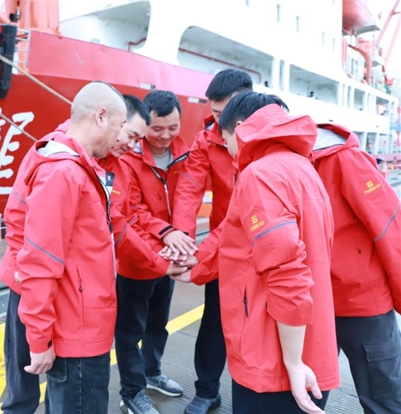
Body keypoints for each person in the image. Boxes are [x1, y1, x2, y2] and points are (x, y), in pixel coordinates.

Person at [174, 92, 340, 414]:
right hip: (311, 345)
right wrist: (197, 267)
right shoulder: (303, 168)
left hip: (273, 357)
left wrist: (292, 361)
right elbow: (243, 241)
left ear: (238, 129)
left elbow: (286, 269)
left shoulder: (259, 174)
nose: (228, 150)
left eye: (225, 140)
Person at [0, 88, 162, 414]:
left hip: (73, 310)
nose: (127, 142)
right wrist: (39, 337)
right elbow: (40, 259)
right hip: (77, 320)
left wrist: (159, 262)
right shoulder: (64, 172)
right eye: (122, 128)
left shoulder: (70, 160)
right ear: (100, 117)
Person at [172, 69, 252, 414]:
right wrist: (183, 240)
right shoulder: (207, 140)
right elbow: (190, 187)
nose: (220, 122)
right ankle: (206, 391)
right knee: (214, 322)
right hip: (223, 250)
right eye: (215, 113)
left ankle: (257, 395)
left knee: (260, 326)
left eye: (225, 114)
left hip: (264, 246)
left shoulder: (269, 139)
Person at [114, 90, 196, 414]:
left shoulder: (185, 154)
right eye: (156, 128)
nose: (165, 136)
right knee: (129, 331)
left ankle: (152, 372)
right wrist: (166, 231)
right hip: (137, 259)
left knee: (158, 324)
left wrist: (181, 239)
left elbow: (188, 199)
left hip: (169, 258)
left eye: (173, 128)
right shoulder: (127, 158)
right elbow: (131, 211)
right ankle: (132, 392)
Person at [312, 122, 401, 413]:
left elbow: (387, 227)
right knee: (310, 393)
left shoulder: (345, 160)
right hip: (321, 300)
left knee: (381, 396)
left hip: (357, 301)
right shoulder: (287, 161)